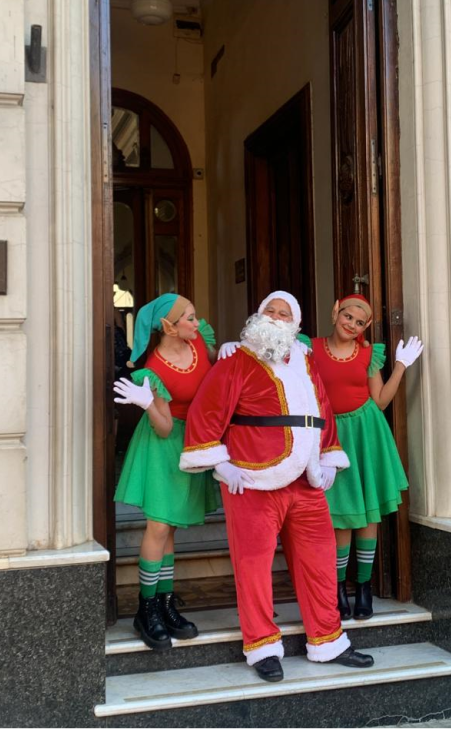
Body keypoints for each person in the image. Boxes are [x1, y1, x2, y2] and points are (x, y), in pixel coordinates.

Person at [180, 291, 375, 683]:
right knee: (253, 567)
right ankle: (262, 647)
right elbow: (207, 409)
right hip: (252, 480)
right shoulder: (236, 359)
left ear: (296, 324)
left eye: (284, 313)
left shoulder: (305, 361)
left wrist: (329, 455)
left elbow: (322, 408)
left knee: (320, 562)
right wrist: (220, 463)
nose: (274, 316)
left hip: (306, 480)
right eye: (269, 310)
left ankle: (328, 640)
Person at [113, 293, 219, 651]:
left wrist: (231, 353)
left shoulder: (199, 340)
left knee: (170, 526)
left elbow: (217, 368)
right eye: (189, 318)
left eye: (194, 315)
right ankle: (146, 609)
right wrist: (146, 403)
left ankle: (165, 602)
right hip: (163, 444)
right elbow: (162, 427)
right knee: (158, 526)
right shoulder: (155, 369)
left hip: (193, 439)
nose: (196, 322)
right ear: (168, 327)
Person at [309, 294, 423, 620]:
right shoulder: (311, 349)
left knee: (368, 514)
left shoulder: (369, 354)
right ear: (335, 311)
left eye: (360, 323)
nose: (352, 325)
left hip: (366, 433)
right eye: (348, 316)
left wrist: (400, 366)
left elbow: (381, 400)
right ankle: (337, 589)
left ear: (366, 326)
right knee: (341, 514)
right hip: (331, 435)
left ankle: (363, 588)